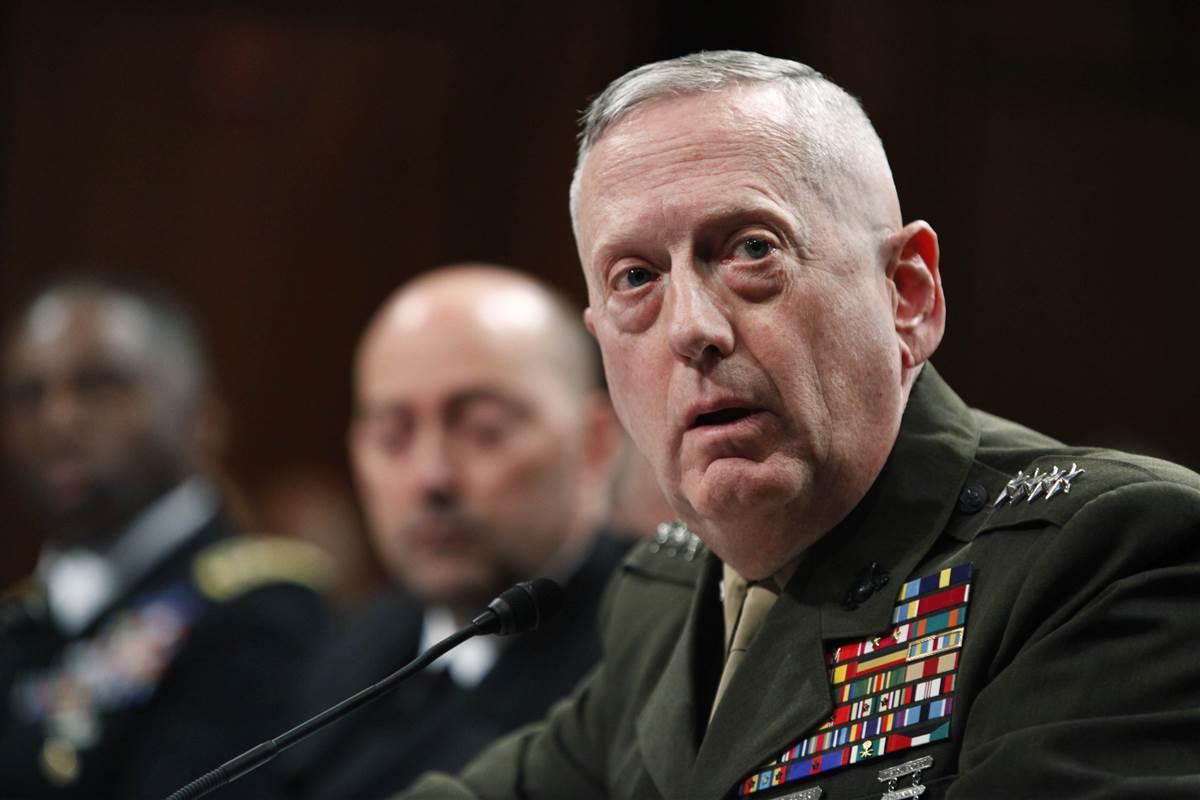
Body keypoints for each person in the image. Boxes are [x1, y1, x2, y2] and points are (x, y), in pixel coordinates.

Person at [397, 51, 1200, 800]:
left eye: (752, 249)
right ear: (600, 337)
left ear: (907, 294)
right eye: (636, 277)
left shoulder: (1107, 556)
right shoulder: (664, 594)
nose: (692, 328)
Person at [275, 265, 632, 799]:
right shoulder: (347, 656)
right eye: (392, 436)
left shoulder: (655, 649)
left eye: (483, 430)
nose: (431, 477)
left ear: (595, 441)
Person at [0, 277, 332, 800]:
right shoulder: (21, 623)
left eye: (98, 386)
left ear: (201, 419)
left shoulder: (262, 609)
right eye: (28, 395)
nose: (57, 419)